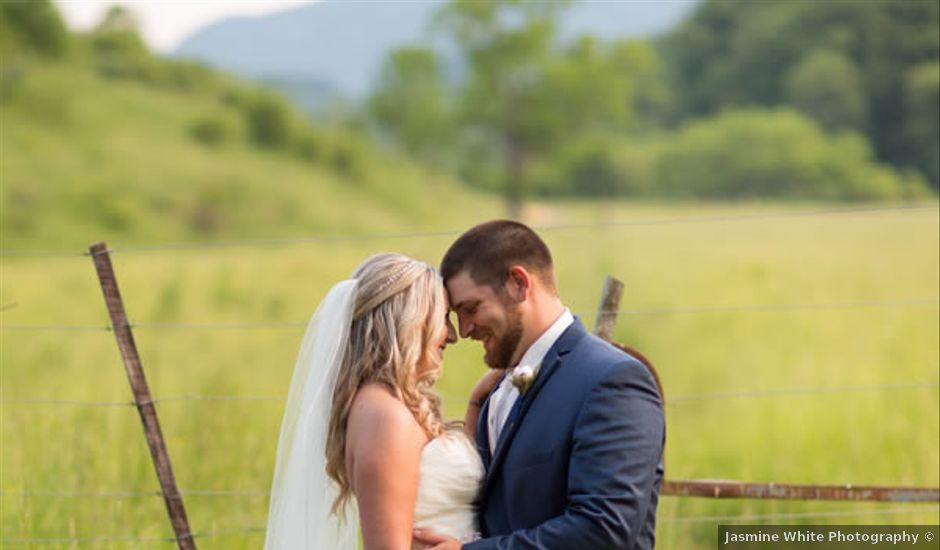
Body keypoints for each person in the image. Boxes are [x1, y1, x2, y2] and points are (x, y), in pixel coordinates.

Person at [414, 220, 666, 549]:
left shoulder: (612, 381)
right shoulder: (496, 391)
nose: (463, 331)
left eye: (471, 308)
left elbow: (604, 531)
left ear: (519, 284)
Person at [264, 253, 494, 549]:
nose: (452, 335)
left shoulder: (390, 404)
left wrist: (476, 401)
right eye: (443, 318)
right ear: (410, 320)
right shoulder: (384, 416)